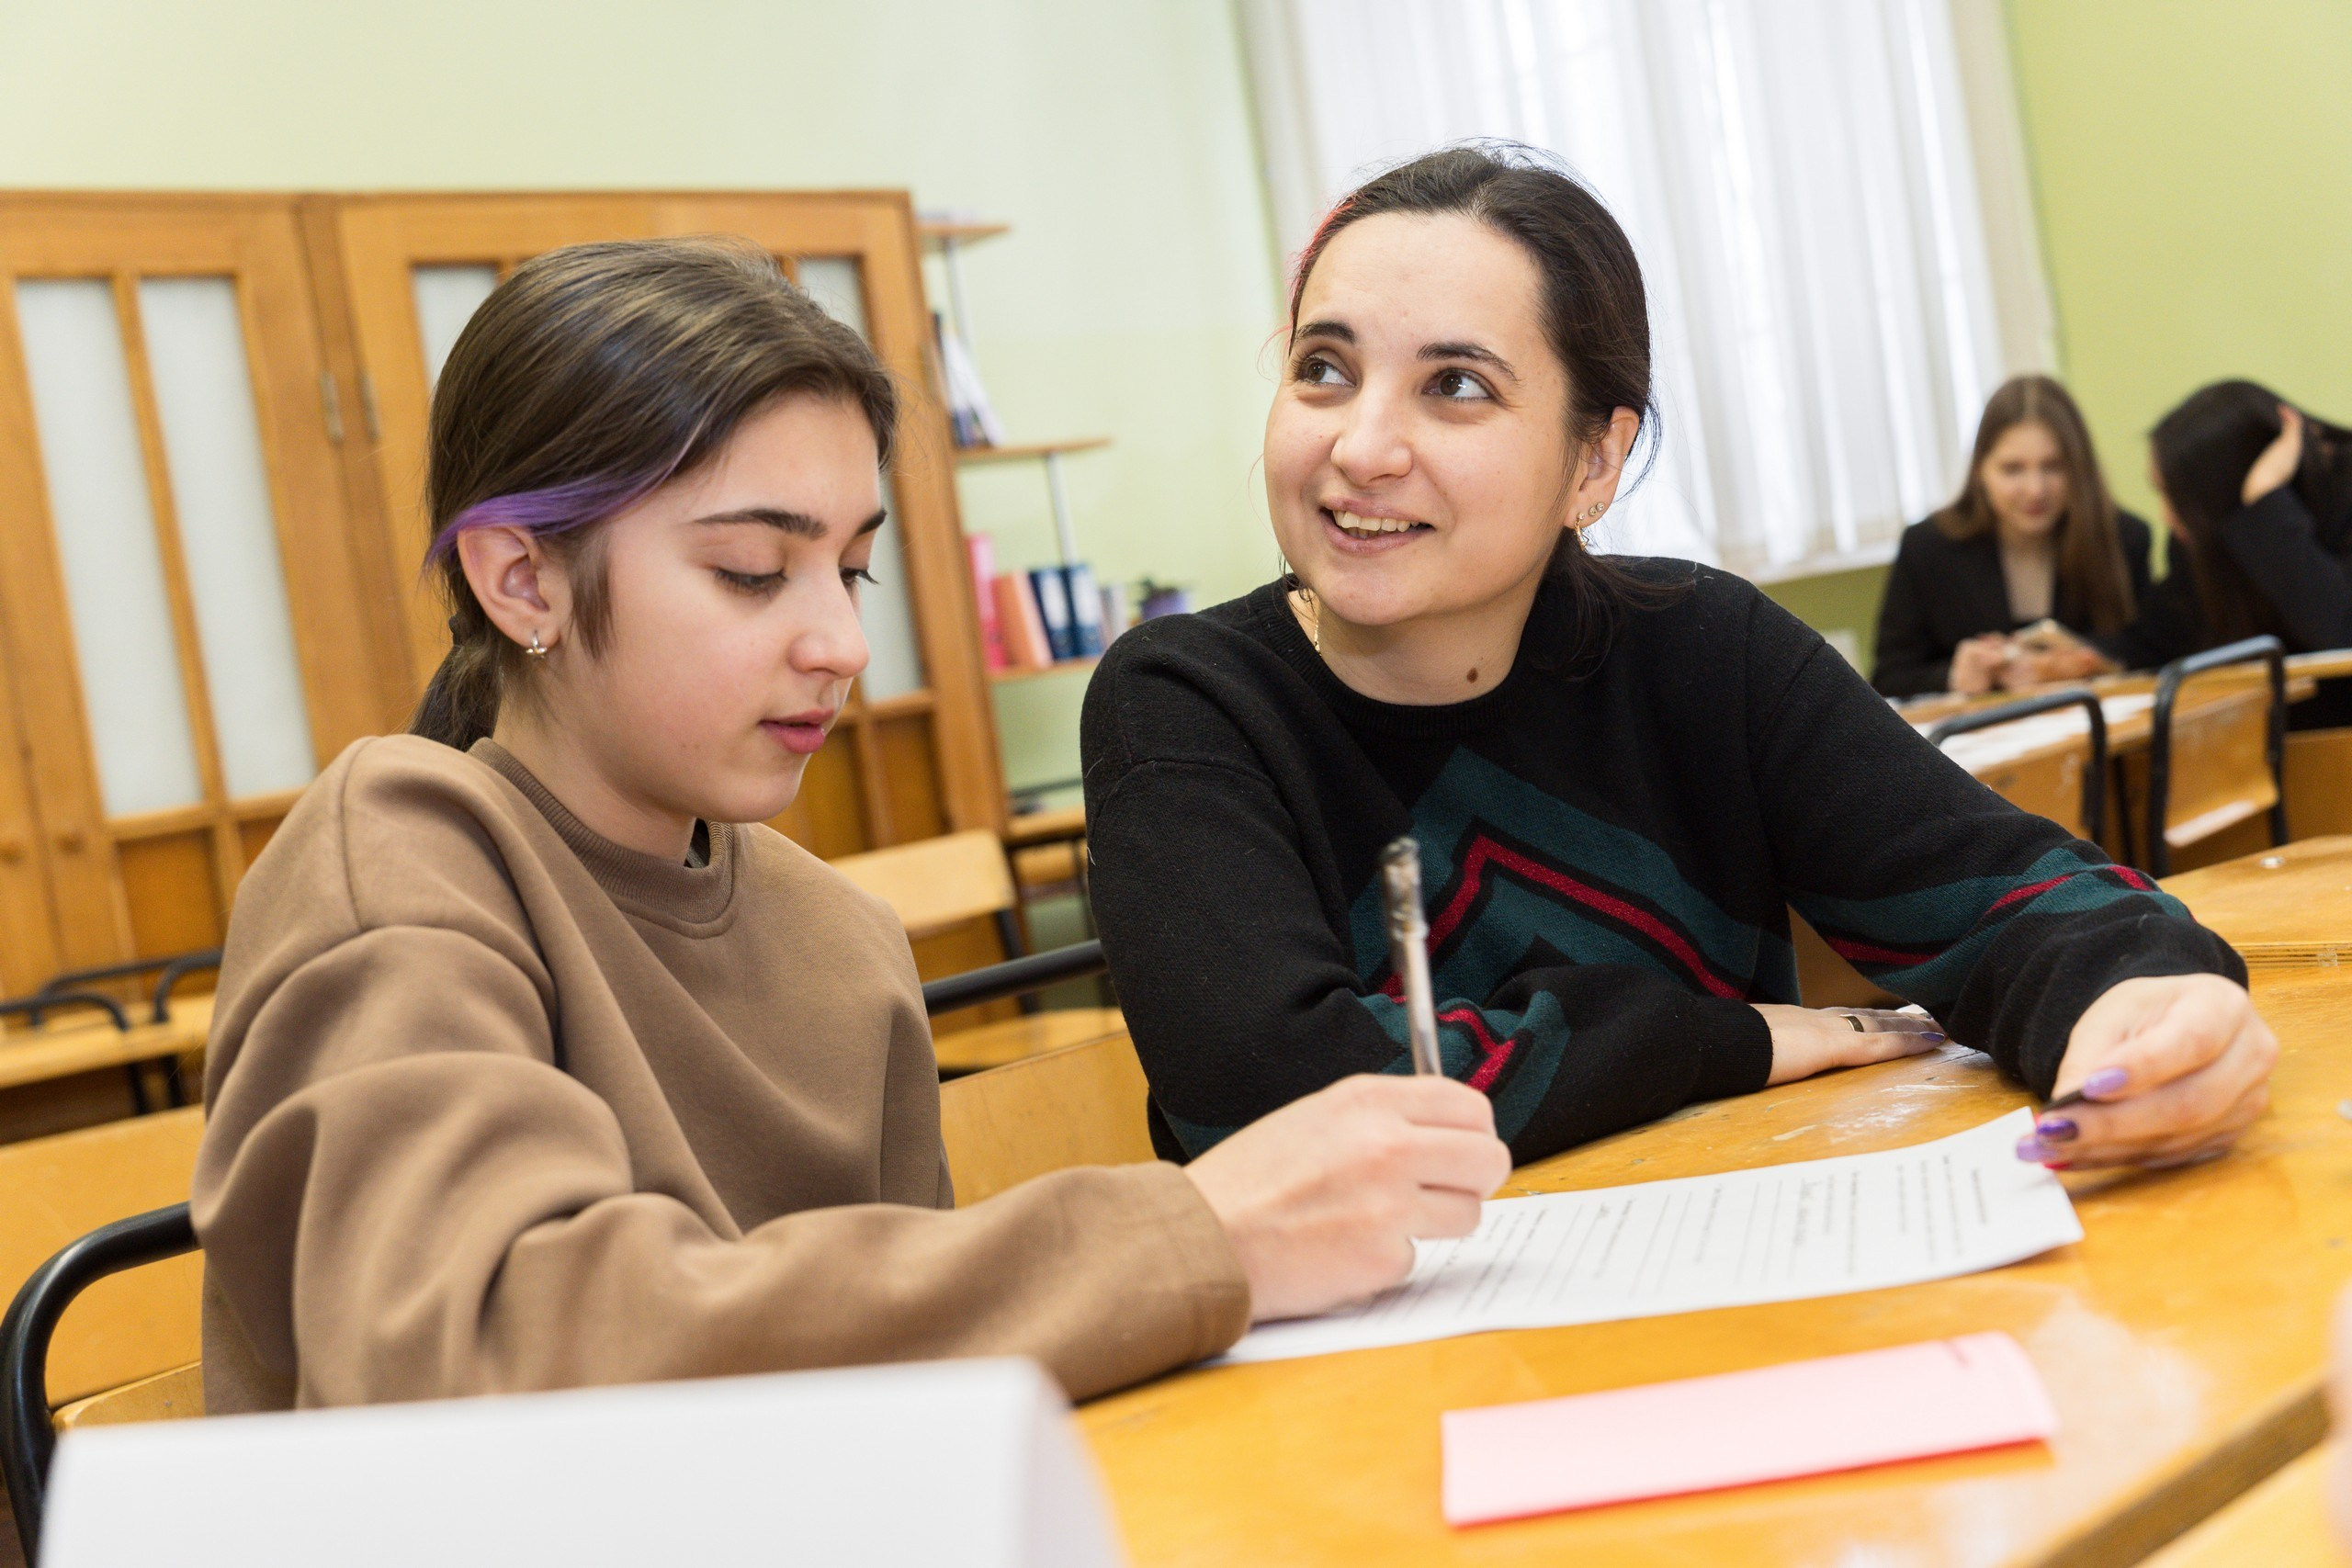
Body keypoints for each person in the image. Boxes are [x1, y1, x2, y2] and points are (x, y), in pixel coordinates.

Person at [191, 238, 1513, 1413]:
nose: (839, 641)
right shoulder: (403, 849)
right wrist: (1190, 1235)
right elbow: (478, 1355)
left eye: (851, 566)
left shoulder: (839, 936)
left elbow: (903, 1379)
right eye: (752, 571)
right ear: (522, 573)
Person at [1080, 144, 2274, 1180]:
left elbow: (2014, 898)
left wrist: (2143, 1002)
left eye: (1455, 385)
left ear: (1596, 462)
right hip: (1354, 1385)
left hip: (1715, 1297)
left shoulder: (1704, 648)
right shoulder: (1185, 702)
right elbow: (1279, 1102)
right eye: (1323, 368)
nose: (1361, 443)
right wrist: (1718, 1038)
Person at [1871, 375, 2153, 699]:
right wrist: (1953, 676)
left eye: (2054, 466)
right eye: (2012, 469)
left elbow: (2152, 649)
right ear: (1981, 472)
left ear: (2080, 469)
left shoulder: (2123, 537)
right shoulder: (1928, 547)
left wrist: (2082, 662)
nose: (2036, 490)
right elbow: (1887, 680)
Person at [2135, 380, 2352, 726]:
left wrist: (2266, 500)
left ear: (2223, 487)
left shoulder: (2327, 496)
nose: (2166, 515)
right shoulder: (2199, 533)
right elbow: (2162, 640)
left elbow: (2342, 633)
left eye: (2178, 498)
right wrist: (2099, 657)